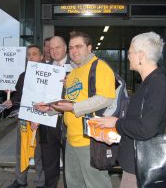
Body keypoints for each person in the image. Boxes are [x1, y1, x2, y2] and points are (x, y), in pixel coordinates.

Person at [92, 32, 166, 188]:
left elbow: (146, 129)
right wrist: (116, 135)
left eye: (130, 52)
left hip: (141, 167)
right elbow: (137, 124)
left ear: (141, 55)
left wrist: (116, 123)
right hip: (135, 163)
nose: (128, 56)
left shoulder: (157, 85)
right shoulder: (148, 83)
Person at [36, 31, 116, 188]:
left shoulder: (99, 66)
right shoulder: (72, 73)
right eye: (72, 47)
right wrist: (50, 109)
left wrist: (74, 107)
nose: (74, 51)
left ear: (89, 47)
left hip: (91, 139)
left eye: (79, 46)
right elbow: (68, 103)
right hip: (70, 139)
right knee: (74, 184)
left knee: (96, 184)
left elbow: (106, 98)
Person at [5, 45, 45, 188]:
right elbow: (18, 96)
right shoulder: (23, 75)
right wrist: (11, 101)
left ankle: (40, 183)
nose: (31, 57)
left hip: (41, 120)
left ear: (41, 57)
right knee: (21, 150)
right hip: (24, 119)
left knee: (40, 153)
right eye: (29, 55)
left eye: (34, 54)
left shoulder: (49, 75)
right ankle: (20, 180)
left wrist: (40, 118)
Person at [39, 36, 70, 188]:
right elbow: (36, 94)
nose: (54, 51)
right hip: (47, 122)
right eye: (51, 48)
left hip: (69, 122)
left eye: (57, 47)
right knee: (49, 162)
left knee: (70, 164)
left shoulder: (77, 67)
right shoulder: (42, 69)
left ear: (65, 48)